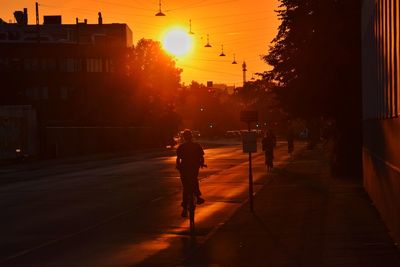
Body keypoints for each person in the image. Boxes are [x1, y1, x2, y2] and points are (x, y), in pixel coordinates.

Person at [176, 129, 206, 217]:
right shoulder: (197, 146)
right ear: (191, 136)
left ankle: (184, 209)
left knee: (185, 188)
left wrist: (178, 167)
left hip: (184, 169)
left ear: (184, 137)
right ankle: (198, 196)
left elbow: (178, 159)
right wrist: (201, 164)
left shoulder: (181, 147)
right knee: (194, 181)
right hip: (193, 168)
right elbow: (201, 157)